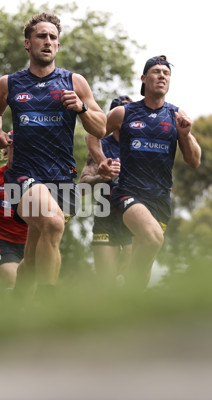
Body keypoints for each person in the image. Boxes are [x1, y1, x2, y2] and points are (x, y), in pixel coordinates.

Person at [0, 12, 108, 300]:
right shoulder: (10, 83)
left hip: (62, 176)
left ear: (58, 45)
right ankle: (48, 303)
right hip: (23, 175)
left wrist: (82, 108)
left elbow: (100, 128)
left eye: (53, 37)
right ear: (28, 43)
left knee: (37, 249)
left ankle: (17, 301)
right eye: (41, 36)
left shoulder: (74, 82)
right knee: (52, 223)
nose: (48, 41)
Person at [91, 55, 201, 289]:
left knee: (142, 276)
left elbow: (194, 161)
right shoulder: (124, 112)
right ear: (143, 78)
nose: (162, 75)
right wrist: (101, 161)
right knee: (153, 238)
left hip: (160, 200)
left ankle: (129, 302)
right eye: (156, 71)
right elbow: (93, 134)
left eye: (166, 73)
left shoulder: (176, 115)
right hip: (128, 193)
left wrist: (185, 134)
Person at [79, 95, 132, 285]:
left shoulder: (140, 145)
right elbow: (82, 186)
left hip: (133, 220)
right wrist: (102, 176)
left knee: (134, 280)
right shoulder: (101, 146)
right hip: (106, 219)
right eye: (124, 112)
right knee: (106, 283)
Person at [0, 135, 28, 290]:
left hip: (31, 243)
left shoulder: (36, 177)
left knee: (30, 291)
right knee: (13, 284)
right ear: (6, 149)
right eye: (14, 146)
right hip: (4, 241)